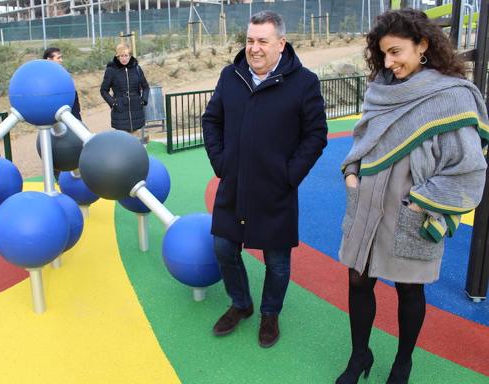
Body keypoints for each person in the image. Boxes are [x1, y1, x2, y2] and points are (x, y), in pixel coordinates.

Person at [336, 9, 488, 384]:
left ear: (422, 45)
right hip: (367, 201)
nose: (389, 62)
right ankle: (360, 355)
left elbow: (469, 167)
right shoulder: (381, 89)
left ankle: (403, 362)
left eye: (396, 52)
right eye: (383, 53)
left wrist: (421, 202)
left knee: (408, 288)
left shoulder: (451, 97)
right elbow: (362, 139)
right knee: (357, 280)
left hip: (413, 208)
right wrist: (352, 174)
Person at [202, 11, 327, 348]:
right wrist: (221, 162)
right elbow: (211, 121)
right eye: (249, 40)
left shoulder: (304, 82)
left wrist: (290, 175)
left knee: (277, 260)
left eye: (262, 41)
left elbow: (316, 135)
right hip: (234, 185)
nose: (253, 48)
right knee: (224, 247)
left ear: (281, 44)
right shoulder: (231, 76)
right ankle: (241, 304)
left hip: (276, 191)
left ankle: (270, 313)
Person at [100, 43, 150, 139]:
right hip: (120, 113)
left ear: (130, 56)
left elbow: (146, 87)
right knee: (124, 143)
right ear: (117, 56)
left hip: (137, 111)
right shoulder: (111, 70)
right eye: (121, 56)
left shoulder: (137, 68)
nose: (124, 58)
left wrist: (143, 100)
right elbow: (103, 90)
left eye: (126, 55)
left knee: (137, 144)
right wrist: (113, 103)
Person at [43, 47, 82, 121]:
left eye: (61, 57)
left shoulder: (63, 74)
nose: (61, 60)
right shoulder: (44, 79)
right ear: (49, 59)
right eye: (58, 58)